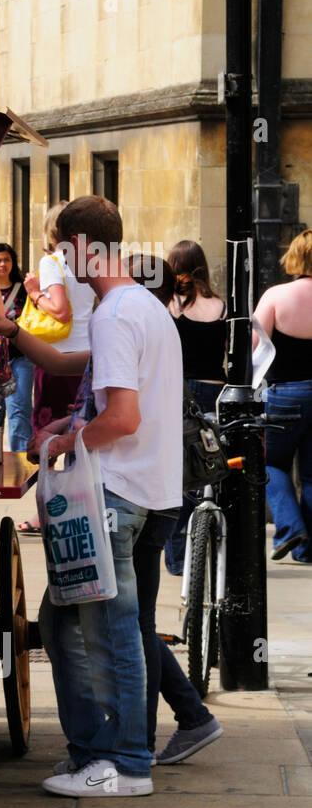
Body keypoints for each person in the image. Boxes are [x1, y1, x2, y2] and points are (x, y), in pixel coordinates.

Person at [0, 197, 181, 797]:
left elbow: (121, 417)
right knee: (65, 620)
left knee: (110, 628)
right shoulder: (139, 306)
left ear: (76, 244)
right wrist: (17, 333)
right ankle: (96, 753)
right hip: (140, 490)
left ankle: (124, 765)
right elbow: (88, 375)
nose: (55, 261)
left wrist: (70, 437)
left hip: (117, 495)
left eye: (56, 248)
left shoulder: (115, 314)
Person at [162, 240, 228, 575]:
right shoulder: (221, 305)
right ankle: (212, 550)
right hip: (215, 392)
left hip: (179, 392)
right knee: (209, 467)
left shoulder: (171, 304)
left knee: (179, 475)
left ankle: (176, 557)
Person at [254, 228, 312, 564]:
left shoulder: (276, 296)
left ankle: (290, 528)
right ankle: (307, 549)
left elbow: (251, 347)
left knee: (268, 462)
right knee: (311, 473)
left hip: (285, 393)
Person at [27, 204, 96, 438]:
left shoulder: (51, 262)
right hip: (85, 353)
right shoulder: (89, 262)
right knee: (80, 427)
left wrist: (35, 293)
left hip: (57, 357)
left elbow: (60, 311)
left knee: (48, 431)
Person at [0, 242, 33, 458]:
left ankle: (22, 461)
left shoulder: (24, 288)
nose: (3, 264)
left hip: (20, 356)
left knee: (19, 410)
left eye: (7, 259)